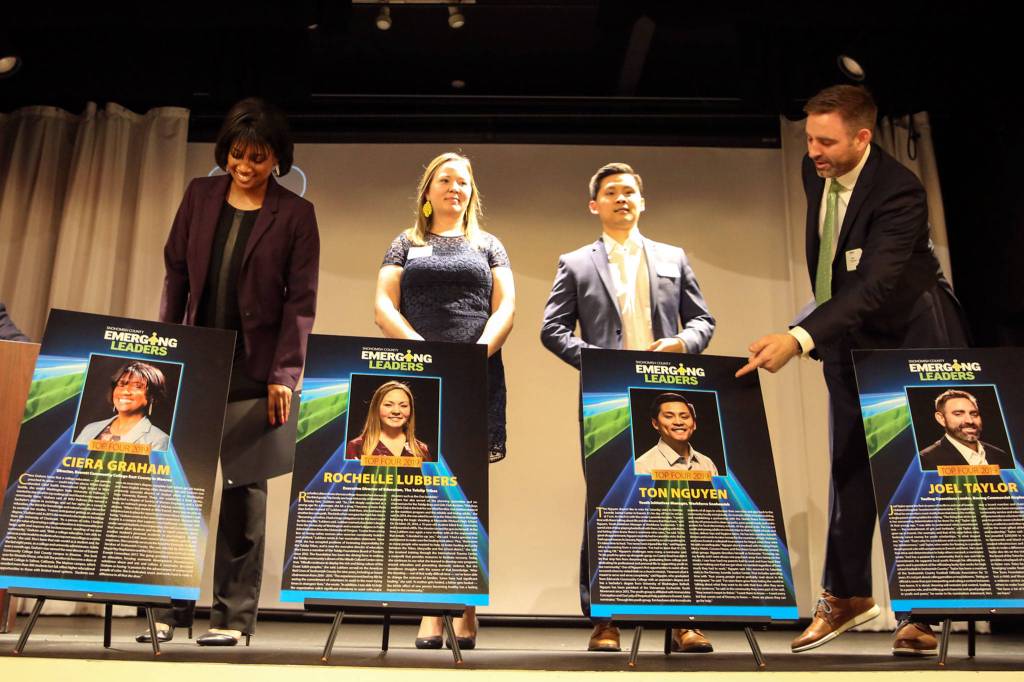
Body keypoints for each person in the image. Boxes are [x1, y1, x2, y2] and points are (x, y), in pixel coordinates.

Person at [736, 85, 967, 657]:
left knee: (924, 473)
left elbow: (876, 282)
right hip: (848, 335)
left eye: (826, 141)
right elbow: (834, 264)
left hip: (915, 339)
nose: (813, 150)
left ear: (863, 137)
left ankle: (922, 613)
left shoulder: (900, 192)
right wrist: (813, 325)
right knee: (849, 463)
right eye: (810, 137)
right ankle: (847, 595)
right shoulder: (814, 170)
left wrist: (798, 335)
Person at [140, 97, 319, 647]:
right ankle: (170, 611)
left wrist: (284, 376)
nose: (245, 167)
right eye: (239, 155)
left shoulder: (295, 214)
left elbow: (301, 302)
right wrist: (164, 346)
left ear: (278, 159)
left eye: (258, 159)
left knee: (245, 494)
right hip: (194, 360)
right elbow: (175, 273)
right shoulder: (199, 195)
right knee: (181, 487)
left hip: (257, 369)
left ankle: (231, 620)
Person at [540, 162, 715, 654]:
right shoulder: (575, 263)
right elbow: (551, 329)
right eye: (611, 193)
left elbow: (703, 320)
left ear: (642, 202)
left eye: (629, 192)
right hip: (607, 398)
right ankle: (605, 618)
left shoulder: (672, 257)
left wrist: (683, 342)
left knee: (677, 507)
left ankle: (684, 619)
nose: (621, 199)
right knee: (609, 503)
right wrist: (596, 360)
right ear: (594, 205)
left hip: (668, 391)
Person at [374, 152, 515, 650]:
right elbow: (383, 305)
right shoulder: (405, 242)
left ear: (471, 193)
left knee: (467, 492)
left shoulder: (489, 244)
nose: (456, 187)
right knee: (423, 492)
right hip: (416, 380)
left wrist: (476, 353)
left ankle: (467, 607)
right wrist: (421, 355)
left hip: (476, 374)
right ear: (428, 191)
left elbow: (507, 308)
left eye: (464, 181)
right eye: (446, 179)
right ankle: (433, 609)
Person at [74, 360, 169, 451]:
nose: (125, 391)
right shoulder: (90, 429)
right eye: (122, 384)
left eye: (137, 386)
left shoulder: (159, 440)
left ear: (152, 396)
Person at [919, 390, 1014, 469]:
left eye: (974, 414)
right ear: (941, 419)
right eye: (958, 414)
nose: (970, 421)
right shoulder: (926, 459)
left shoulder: (1000, 455)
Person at [346, 381, 432, 460]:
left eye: (403, 406)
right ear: (376, 408)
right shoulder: (357, 447)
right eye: (388, 405)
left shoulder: (421, 450)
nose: (396, 411)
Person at [634, 393, 717, 475]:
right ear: (655, 424)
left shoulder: (707, 464)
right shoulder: (643, 466)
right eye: (669, 416)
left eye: (684, 417)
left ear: (694, 424)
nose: (678, 422)